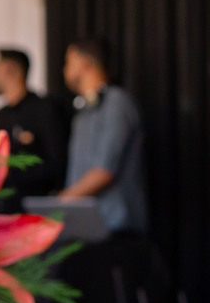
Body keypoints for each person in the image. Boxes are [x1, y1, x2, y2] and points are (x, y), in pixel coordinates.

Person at [60, 38, 148, 233]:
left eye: (68, 62)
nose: (65, 69)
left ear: (84, 63)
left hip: (115, 228)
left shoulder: (116, 103)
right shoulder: (83, 112)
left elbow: (104, 171)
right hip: (87, 227)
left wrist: (61, 202)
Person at [0, 47, 68, 214]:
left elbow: (56, 165)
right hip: (2, 211)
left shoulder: (44, 110)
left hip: (33, 210)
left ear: (10, 70)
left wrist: (12, 169)